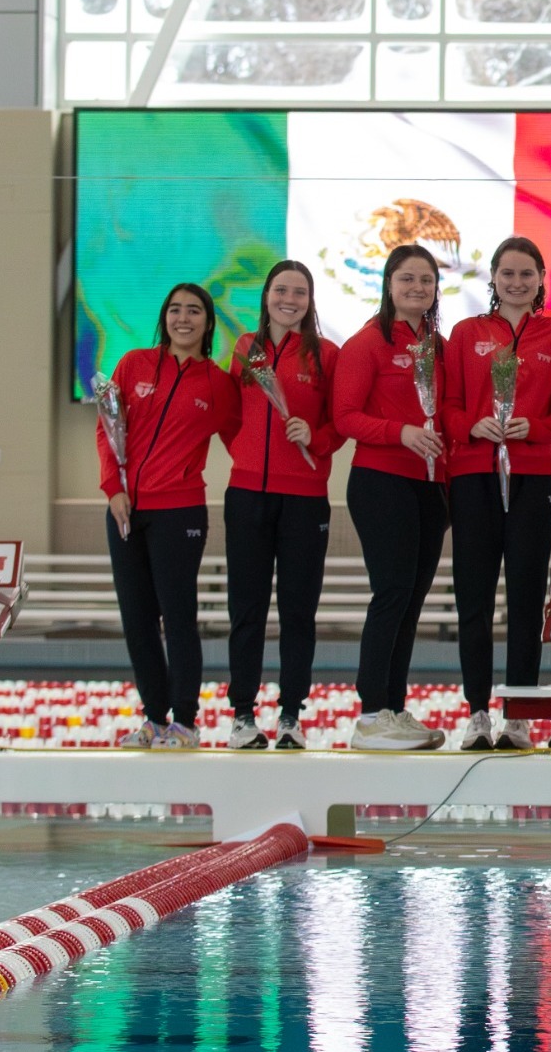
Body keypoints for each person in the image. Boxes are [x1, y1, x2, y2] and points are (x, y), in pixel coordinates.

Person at [440, 236, 551, 751]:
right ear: (493, 278)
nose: (517, 282)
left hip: (534, 476)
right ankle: (477, 713)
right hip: (473, 474)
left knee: (525, 597)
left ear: (542, 278)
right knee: (473, 600)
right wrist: (473, 426)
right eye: (508, 273)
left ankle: (518, 715)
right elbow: (447, 407)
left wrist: (534, 428)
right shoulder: (465, 333)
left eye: (527, 273)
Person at [102, 284, 241, 750]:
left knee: (177, 617)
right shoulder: (134, 365)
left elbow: (244, 440)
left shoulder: (218, 384)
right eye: (175, 310)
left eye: (194, 310)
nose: (184, 318)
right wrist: (112, 489)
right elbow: (109, 431)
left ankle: (184, 720)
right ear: (164, 317)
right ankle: (153, 718)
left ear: (207, 322)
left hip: (179, 511)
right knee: (137, 618)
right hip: (125, 510)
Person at [331, 244, 450, 751]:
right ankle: (371, 713)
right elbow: (345, 417)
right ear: (388, 284)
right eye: (407, 279)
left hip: (431, 486)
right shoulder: (366, 344)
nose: (417, 288)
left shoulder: (439, 347)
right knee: (392, 593)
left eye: (426, 280)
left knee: (412, 601)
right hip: (382, 480)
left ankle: (395, 709)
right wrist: (399, 433)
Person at [224, 262, 341, 750]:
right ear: (266, 295)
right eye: (280, 290)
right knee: (246, 610)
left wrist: (315, 438)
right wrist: (247, 455)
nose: (288, 298)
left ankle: (291, 714)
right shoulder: (243, 350)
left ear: (310, 300)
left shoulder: (327, 355)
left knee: (298, 611)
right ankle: (243, 716)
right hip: (247, 495)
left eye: (299, 291)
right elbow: (231, 415)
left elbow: (342, 424)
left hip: (305, 499)